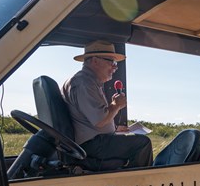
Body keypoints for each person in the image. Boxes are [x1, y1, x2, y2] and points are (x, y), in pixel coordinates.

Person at [61, 40, 152, 168]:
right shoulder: (85, 83)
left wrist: (115, 129)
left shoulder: (87, 82)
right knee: (142, 143)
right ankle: (139, 183)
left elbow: (91, 119)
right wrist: (116, 105)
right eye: (111, 61)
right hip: (90, 145)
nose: (115, 67)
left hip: (91, 141)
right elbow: (99, 120)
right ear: (95, 60)